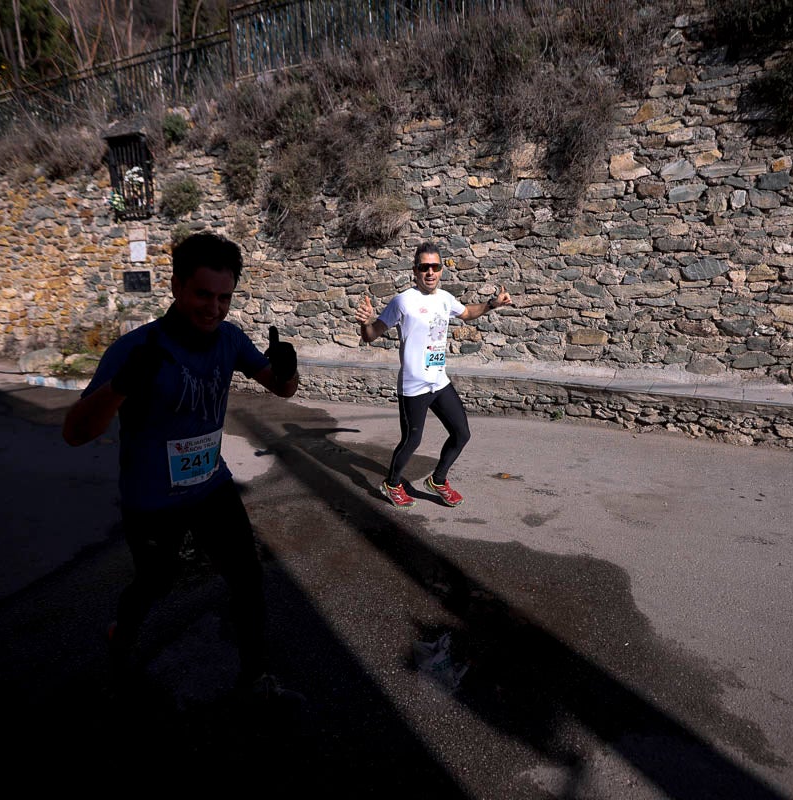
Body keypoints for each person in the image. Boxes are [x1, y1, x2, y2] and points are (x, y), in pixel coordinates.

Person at [62, 232, 300, 706]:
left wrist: (287, 368)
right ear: (175, 287)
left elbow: (282, 389)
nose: (214, 308)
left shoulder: (229, 339)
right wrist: (121, 386)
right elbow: (75, 432)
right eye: (202, 294)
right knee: (155, 581)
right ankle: (122, 632)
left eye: (224, 298)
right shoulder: (137, 348)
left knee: (248, 578)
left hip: (211, 487)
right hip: (151, 500)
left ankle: (255, 679)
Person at [354, 242, 512, 509]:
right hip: (414, 386)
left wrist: (491, 304)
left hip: (439, 381)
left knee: (461, 433)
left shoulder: (445, 298)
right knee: (412, 440)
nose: (430, 272)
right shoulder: (402, 301)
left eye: (435, 267)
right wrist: (365, 324)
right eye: (424, 267)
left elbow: (467, 313)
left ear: (441, 270)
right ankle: (392, 484)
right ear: (415, 271)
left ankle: (437, 481)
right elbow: (371, 335)